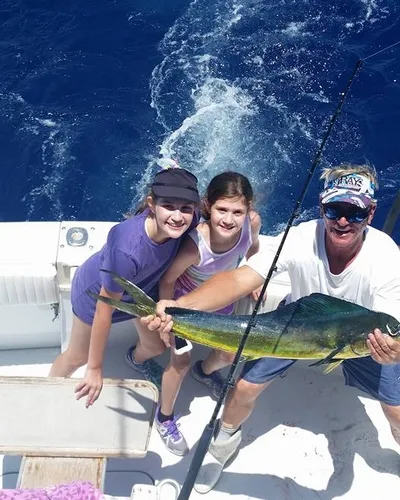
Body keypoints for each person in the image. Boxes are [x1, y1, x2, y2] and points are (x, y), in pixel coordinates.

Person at [143, 163, 400, 493]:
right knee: (245, 389)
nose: (343, 221)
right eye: (335, 209)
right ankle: (220, 450)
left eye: (356, 212)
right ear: (322, 206)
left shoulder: (387, 258)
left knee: (395, 411)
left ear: (372, 212)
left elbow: (394, 327)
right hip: (300, 327)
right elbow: (238, 279)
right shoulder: (298, 238)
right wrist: (180, 308)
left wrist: (394, 353)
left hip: (366, 339)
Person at [49, 164, 200, 408]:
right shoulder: (127, 250)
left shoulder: (188, 221)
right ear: (151, 204)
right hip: (96, 297)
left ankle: (135, 360)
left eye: (185, 208)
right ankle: (48, 391)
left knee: (155, 345)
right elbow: (103, 309)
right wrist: (95, 368)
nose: (177, 216)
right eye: (168, 206)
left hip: (138, 294)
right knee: (76, 357)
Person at [151, 171, 261, 456]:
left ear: (248, 210)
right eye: (222, 210)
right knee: (180, 363)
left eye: (238, 211)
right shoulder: (194, 245)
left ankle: (205, 371)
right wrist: (169, 315)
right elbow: (167, 280)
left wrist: (252, 279)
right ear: (208, 206)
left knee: (228, 355)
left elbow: (254, 249)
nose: (229, 219)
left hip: (222, 303)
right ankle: (164, 418)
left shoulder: (251, 225)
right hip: (186, 306)